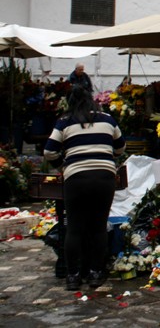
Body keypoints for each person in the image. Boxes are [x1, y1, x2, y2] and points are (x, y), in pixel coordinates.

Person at [43, 86, 126, 291]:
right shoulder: (107, 119)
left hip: (76, 178)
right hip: (104, 177)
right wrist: (104, 157)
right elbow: (120, 147)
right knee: (98, 226)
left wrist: (64, 164)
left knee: (75, 227)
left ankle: (73, 276)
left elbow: (49, 152)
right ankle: (96, 273)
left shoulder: (64, 121)